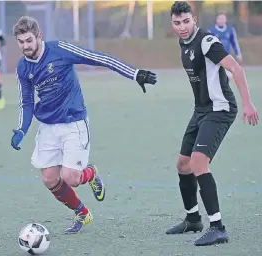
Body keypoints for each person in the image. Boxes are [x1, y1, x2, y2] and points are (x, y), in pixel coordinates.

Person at [11, 16, 157, 234]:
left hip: (73, 122)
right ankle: (82, 212)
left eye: (29, 40)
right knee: (50, 179)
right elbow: (27, 101)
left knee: (71, 177)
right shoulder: (23, 67)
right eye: (21, 42)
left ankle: (90, 172)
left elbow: (99, 58)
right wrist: (22, 129)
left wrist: (134, 73)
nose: (25, 46)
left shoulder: (59, 49)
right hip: (49, 127)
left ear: (39, 36)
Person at [165, 2, 259, 246]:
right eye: (177, 23)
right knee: (183, 164)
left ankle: (217, 227)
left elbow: (236, 69)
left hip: (220, 109)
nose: (182, 27)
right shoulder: (183, 43)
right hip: (201, 110)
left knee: (198, 161)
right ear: (172, 24)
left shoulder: (207, 42)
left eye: (186, 21)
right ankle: (193, 219)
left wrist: (248, 103)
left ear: (194, 19)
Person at [208, 12, 243, 79]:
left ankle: (223, 88)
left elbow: (234, 43)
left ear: (226, 20)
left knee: (228, 76)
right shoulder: (211, 30)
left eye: (223, 19)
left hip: (226, 57)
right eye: (219, 19)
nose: (221, 20)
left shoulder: (230, 29)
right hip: (215, 58)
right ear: (216, 20)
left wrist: (238, 54)